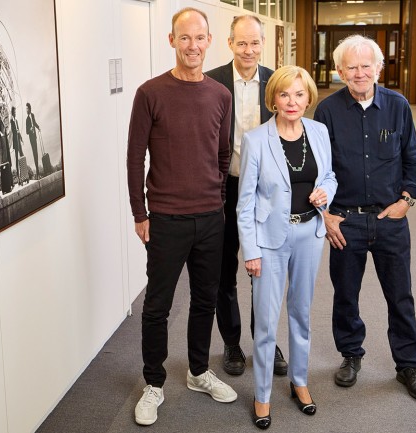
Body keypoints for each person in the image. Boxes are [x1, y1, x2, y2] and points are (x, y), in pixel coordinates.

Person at [126, 7, 236, 427]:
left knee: (205, 300)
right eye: (184, 38)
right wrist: (141, 212)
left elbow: (222, 154)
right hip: (166, 219)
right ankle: (153, 383)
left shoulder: (220, 95)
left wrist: (218, 202)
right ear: (171, 41)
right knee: (157, 306)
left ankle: (197, 371)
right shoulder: (150, 92)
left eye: (200, 38)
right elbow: (135, 157)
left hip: (211, 218)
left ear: (210, 41)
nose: (193, 45)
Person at [313, 34, 416, 402]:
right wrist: (327, 215)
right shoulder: (327, 110)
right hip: (345, 221)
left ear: (379, 68)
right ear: (339, 71)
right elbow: (318, 168)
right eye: (352, 66)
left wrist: (406, 201)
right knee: (345, 294)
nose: (360, 73)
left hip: (390, 220)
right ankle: (351, 355)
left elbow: (412, 158)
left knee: (400, 296)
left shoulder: (398, 106)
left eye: (367, 66)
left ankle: (408, 365)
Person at [237, 65, 337, 429]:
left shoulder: (319, 132)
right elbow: (244, 203)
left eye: (299, 94)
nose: (292, 102)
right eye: (284, 94)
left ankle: (299, 381)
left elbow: (329, 175)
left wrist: (327, 192)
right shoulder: (255, 139)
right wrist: (250, 249)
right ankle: (262, 394)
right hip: (269, 242)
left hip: (309, 234)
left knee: (301, 314)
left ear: (309, 98)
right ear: (273, 99)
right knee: (265, 322)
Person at [205, 14, 287, 378]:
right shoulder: (212, 82)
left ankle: (265, 339)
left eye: (255, 43)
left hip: (266, 193)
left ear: (262, 43)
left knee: (264, 270)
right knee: (225, 270)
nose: (249, 50)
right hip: (226, 188)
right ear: (230, 44)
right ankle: (231, 342)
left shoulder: (278, 82)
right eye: (242, 43)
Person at [10, 106, 25, 185]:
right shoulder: (11, 121)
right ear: (12, 113)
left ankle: (24, 175)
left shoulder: (16, 121)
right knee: (16, 158)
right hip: (15, 142)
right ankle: (19, 177)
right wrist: (16, 130)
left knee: (22, 155)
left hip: (18, 141)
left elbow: (18, 131)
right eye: (14, 112)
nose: (15, 113)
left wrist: (21, 139)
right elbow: (13, 130)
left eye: (16, 112)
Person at [25, 102, 40, 179]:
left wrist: (38, 127)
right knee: (34, 153)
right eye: (26, 109)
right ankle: (37, 172)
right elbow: (26, 131)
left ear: (30, 109)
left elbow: (34, 123)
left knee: (36, 153)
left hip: (35, 137)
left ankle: (38, 171)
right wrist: (30, 129)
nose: (26, 110)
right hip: (31, 138)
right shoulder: (27, 119)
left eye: (27, 108)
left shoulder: (32, 115)